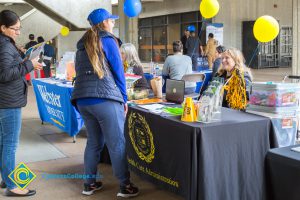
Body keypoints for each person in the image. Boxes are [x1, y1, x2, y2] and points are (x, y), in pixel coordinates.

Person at [71, 8, 139, 198]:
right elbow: (118, 72)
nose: (113, 23)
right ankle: (125, 186)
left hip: (83, 100)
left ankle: (89, 184)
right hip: (105, 100)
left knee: (93, 142)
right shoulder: (108, 40)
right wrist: (124, 99)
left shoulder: (81, 44)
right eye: (111, 20)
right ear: (104, 23)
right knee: (117, 144)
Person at [0, 10, 42, 197]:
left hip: (7, 99)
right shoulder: (4, 46)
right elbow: (5, 75)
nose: (18, 32)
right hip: (8, 101)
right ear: (3, 28)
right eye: (15, 29)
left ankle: (6, 178)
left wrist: (26, 62)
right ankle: (12, 185)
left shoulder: (6, 43)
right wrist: (29, 65)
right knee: (10, 144)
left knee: (4, 143)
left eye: (19, 28)